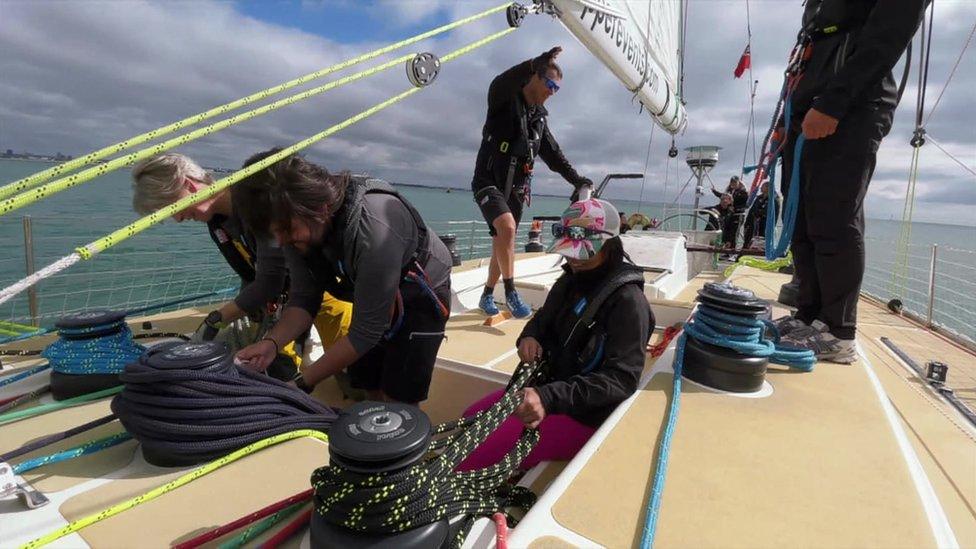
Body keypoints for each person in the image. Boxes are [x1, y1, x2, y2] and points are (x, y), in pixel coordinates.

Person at [232, 150, 453, 405]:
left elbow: (365, 332)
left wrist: (300, 384)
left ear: (321, 208)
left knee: (398, 397)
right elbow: (304, 298)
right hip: (371, 285)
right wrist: (271, 343)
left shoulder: (375, 229)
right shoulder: (300, 227)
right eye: (274, 234)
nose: (281, 241)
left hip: (421, 291)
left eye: (286, 230)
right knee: (367, 379)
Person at [774, 0, 927, 363]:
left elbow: (888, 35)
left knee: (833, 214)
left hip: (851, 105)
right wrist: (788, 113)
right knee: (802, 217)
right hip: (807, 101)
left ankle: (838, 331)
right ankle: (808, 315)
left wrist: (834, 103)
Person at [457, 198, 653, 471]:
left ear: (609, 247)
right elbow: (542, 320)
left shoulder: (629, 304)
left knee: (470, 454)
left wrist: (549, 398)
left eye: (583, 253)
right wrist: (529, 336)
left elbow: (621, 379)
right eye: (570, 252)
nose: (573, 259)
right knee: (469, 419)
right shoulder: (570, 279)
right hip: (546, 391)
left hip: (584, 415)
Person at [130, 153, 352, 379]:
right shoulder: (217, 223)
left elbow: (270, 280)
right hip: (282, 306)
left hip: (322, 298)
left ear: (189, 185)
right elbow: (249, 275)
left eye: (171, 207)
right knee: (276, 369)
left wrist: (217, 318)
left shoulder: (256, 203)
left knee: (351, 376)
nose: (177, 219)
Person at [471, 46, 593, 319]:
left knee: (502, 240)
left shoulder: (539, 119)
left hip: (515, 188)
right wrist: (531, 63)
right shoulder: (504, 99)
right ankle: (511, 292)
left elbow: (554, 155)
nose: (552, 92)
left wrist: (578, 179)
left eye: (557, 89)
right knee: (508, 228)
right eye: (550, 84)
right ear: (535, 78)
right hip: (488, 180)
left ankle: (487, 294)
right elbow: (499, 82)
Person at [711, 176, 748, 247]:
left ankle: (732, 250)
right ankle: (726, 248)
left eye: (735, 183)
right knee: (727, 232)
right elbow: (723, 196)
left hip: (738, 214)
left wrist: (735, 208)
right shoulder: (730, 191)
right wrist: (714, 191)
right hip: (730, 215)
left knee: (734, 233)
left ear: (738, 183)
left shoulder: (743, 192)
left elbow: (744, 204)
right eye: (732, 183)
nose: (733, 184)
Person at [743, 182, 780, 249]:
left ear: (768, 187)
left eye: (763, 186)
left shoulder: (774, 199)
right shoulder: (759, 198)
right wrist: (747, 223)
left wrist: (758, 212)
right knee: (748, 241)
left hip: (765, 226)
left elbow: (768, 212)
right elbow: (752, 210)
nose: (761, 188)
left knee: (761, 244)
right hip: (753, 225)